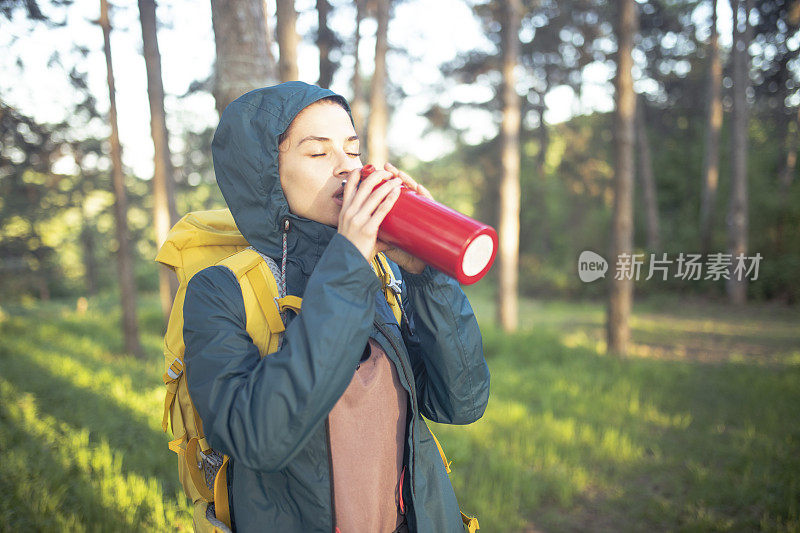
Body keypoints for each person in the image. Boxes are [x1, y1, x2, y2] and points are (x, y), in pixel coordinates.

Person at [183, 81, 490, 533]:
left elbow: (460, 404)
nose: (348, 168)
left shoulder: (380, 273)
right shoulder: (220, 291)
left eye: (352, 148)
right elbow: (259, 439)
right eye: (318, 153)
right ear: (266, 174)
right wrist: (347, 262)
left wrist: (428, 276)